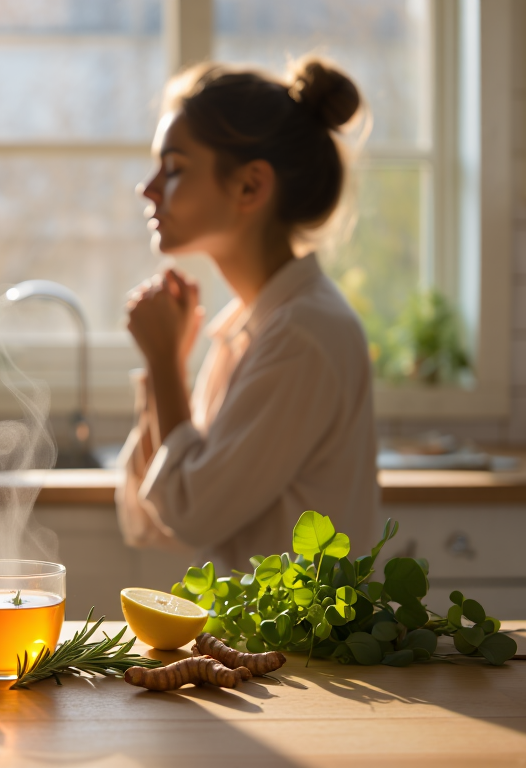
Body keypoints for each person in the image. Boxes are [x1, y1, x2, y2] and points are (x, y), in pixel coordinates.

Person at [117, 59, 378, 571]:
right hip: (251, 625)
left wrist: (166, 365)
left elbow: (191, 514)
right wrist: (162, 369)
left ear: (250, 187)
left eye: (174, 169)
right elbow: (149, 519)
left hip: (299, 628)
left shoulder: (304, 335)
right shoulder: (255, 326)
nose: (148, 188)